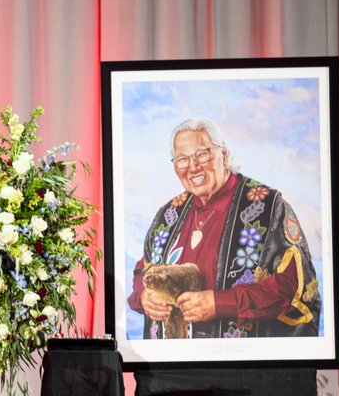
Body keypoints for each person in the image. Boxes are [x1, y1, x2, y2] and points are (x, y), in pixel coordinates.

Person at [128, 118, 320, 339]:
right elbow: (143, 270)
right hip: (174, 366)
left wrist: (218, 304)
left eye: (202, 154)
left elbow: (291, 287)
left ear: (224, 155)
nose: (193, 167)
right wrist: (143, 297)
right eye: (182, 159)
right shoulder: (168, 216)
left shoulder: (268, 208)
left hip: (244, 365)